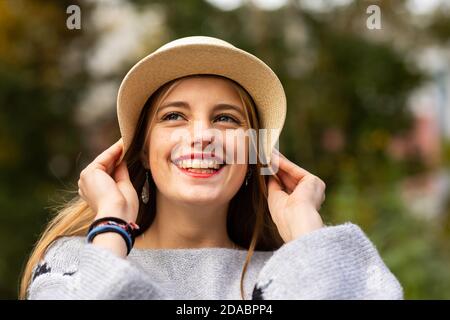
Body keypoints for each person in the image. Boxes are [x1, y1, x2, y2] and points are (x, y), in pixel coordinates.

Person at [20, 36, 403, 300]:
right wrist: (111, 226)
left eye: (226, 119)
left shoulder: (296, 270)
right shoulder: (80, 260)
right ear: (140, 150)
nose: (202, 135)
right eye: (173, 116)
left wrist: (306, 231)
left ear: (257, 152)